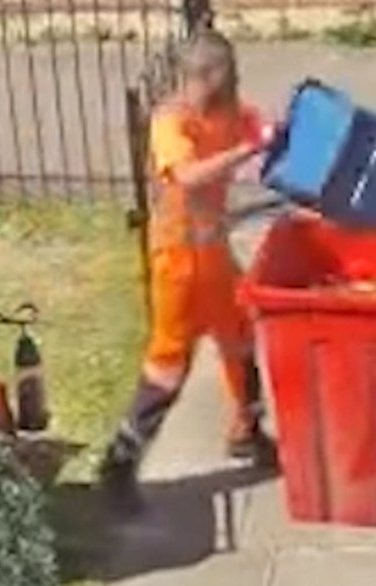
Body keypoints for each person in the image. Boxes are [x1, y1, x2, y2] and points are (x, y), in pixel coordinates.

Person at [97, 30, 278, 517]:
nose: (198, 87)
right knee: (168, 365)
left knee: (239, 340)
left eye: (207, 78)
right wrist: (247, 150)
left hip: (213, 254)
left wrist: (273, 136)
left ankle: (247, 431)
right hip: (177, 262)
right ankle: (118, 463)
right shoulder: (170, 122)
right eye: (197, 78)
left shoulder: (230, 113)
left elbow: (261, 128)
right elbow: (190, 176)